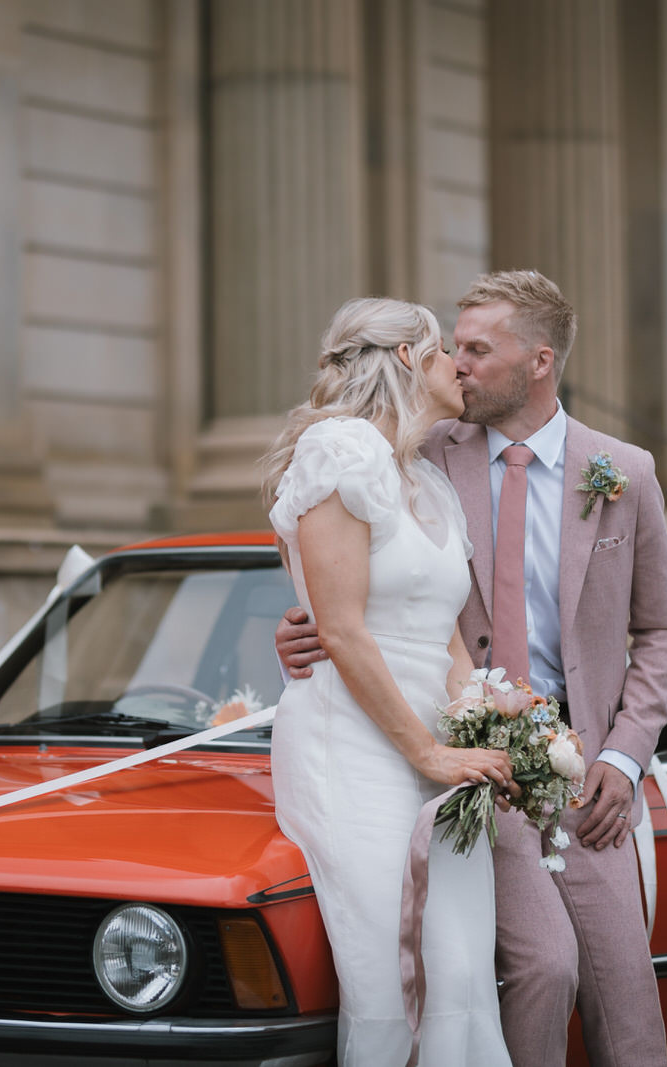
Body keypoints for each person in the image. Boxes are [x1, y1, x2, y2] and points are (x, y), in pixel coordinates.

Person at [277, 270, 667, 1067]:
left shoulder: (623, 473)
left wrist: (621, 756)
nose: (458, 364)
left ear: (540, 360)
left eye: (476, 348)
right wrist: (305, 627)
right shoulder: (418, 449)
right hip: (468, 761)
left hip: (585, 774)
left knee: (630, 1002)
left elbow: (664, 628)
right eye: (449, 348)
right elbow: (341, 576)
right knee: (542, 965)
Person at [262, 296, 516, 1067]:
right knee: (390, 974)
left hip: (441, 755)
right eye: (445, 352)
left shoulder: (429, 482)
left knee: (463, 971)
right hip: (356, 749)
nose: (459, 369)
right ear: (408, 358)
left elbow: (447, 639)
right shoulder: (340, 450)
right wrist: (427, 753)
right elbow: (338, 628)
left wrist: (487, 720)